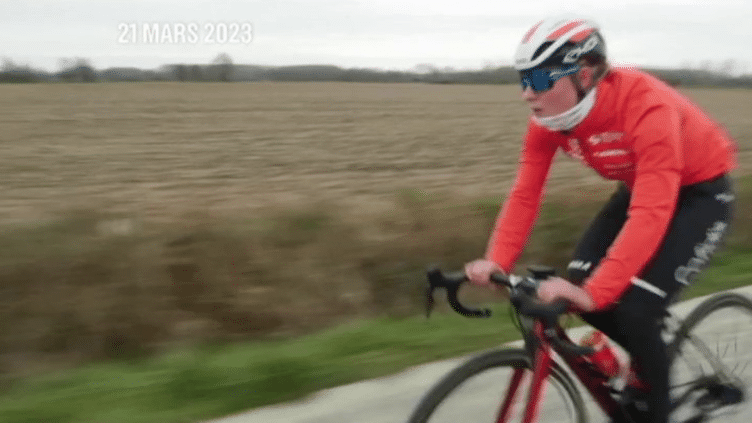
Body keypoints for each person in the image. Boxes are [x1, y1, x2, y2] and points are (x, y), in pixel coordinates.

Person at [464, 15, 736, 423]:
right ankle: (648, 357)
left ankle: (652, 391)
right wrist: (497, 260)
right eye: (523, 79)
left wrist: (599, 292)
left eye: (539, 80)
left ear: (585, 74)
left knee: (634, 309)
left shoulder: (646, 105)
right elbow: (525, 194)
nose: (526, 94)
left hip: (699, 194)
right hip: (640, 188)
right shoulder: (548, 123)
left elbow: (653, 210)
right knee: (577, 287)